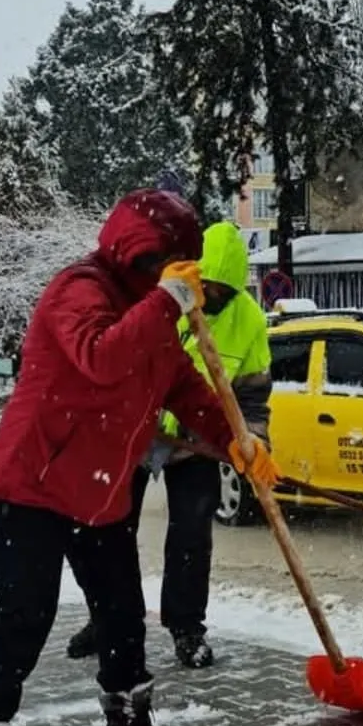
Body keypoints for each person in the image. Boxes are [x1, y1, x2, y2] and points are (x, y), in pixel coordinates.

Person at [0, 189, 279, 726]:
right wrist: (166, 301)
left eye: (183, 265)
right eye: (165, 263)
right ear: (136, 251)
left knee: (123, 615)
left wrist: (239, 443)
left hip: (99, 492)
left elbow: (188, 389)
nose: (174, 276)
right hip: (32, 489)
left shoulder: (153, 314)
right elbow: (101, 356)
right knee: (24, 621)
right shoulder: (81, 290)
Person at [67, 220, 272, 669]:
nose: (215, 297)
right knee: (108, 534)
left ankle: (187, 628)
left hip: (196, 443)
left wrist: (253, 443)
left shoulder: (249, 321)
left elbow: (253, 393)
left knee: (191, 537)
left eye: (226, 291)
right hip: (134, 436)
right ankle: (109, 620)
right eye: (210, 287)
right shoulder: (157, 300)